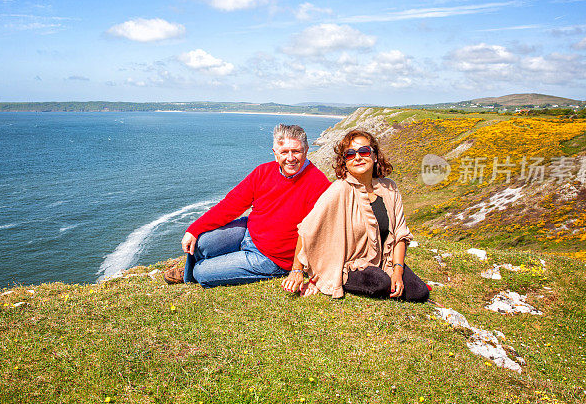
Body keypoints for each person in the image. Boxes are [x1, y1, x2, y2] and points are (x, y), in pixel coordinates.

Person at [164, 124, 330, 287]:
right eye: (284, 152)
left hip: (272, 257)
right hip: (248, 232)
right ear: (275, 153)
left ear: (306, 150)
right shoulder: (263, 172)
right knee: (199, 242)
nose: (290, 158)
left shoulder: (318, 184)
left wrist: (297, 270)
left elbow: (313, 233)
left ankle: (193, 273)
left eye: (296, 151)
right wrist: (193, 229)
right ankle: (205, 268)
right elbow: (230, 205)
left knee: (201, 273)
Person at [281, 129, 429, 302]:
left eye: (364, 151)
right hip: (352, 264)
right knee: (381, 282)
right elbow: (306, 229)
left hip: (385, 259)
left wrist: (397, 270)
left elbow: (400, 234)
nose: (358, 157)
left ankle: (389, 274)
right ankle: (344, 279)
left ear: (374, 156)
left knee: (419, 292)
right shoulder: (340, 189)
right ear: (345, 162)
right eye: (350, 154)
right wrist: (297, 271)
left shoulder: (390, 188)